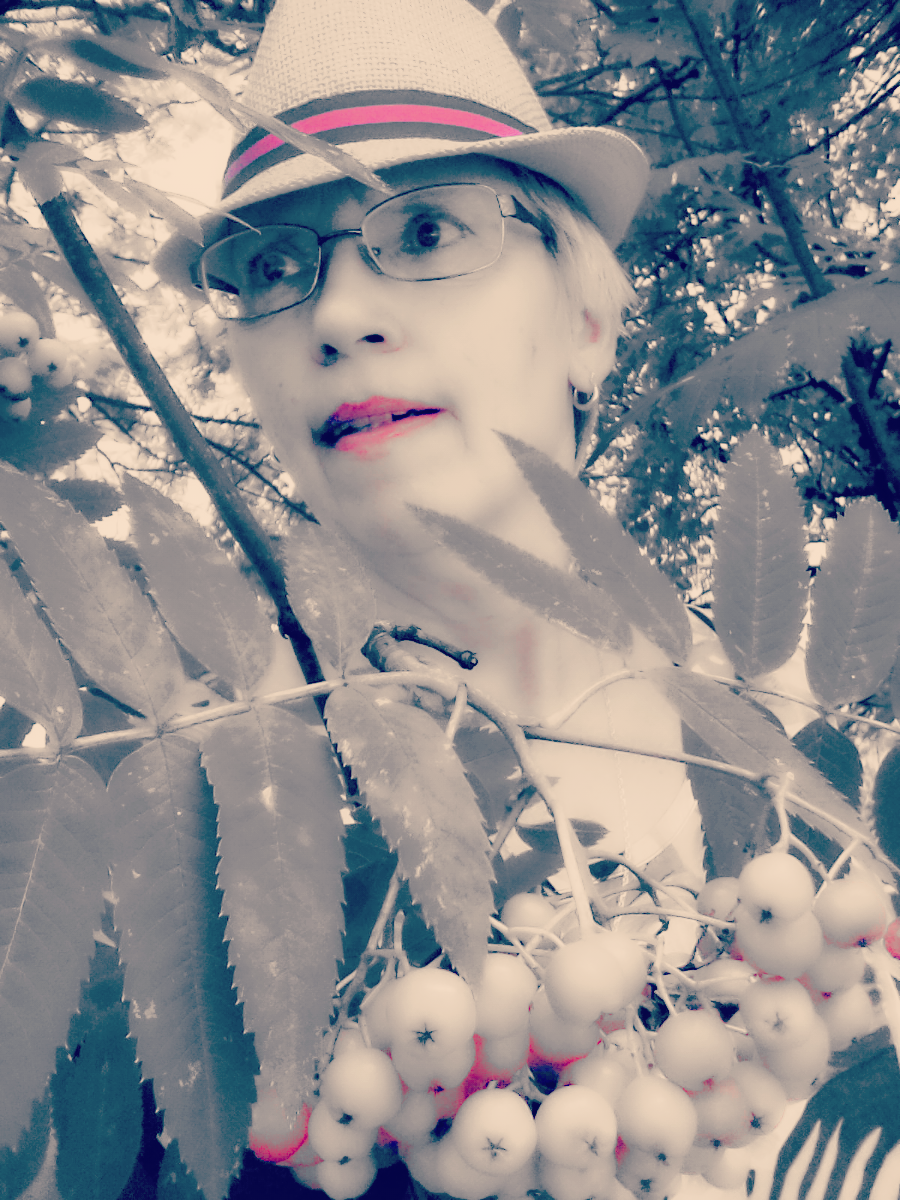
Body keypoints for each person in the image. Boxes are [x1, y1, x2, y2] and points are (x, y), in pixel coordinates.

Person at [158, 1, 900, 1197]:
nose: (337, 318)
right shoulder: (188, 844)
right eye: (270, 267)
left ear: (589, 322)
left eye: (428, 229)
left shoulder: (831, 776)